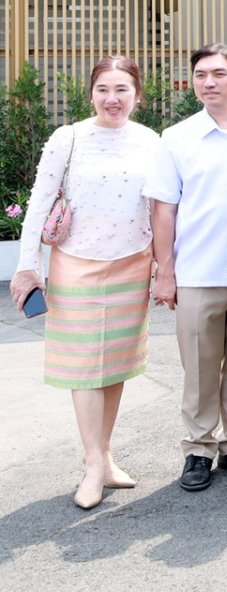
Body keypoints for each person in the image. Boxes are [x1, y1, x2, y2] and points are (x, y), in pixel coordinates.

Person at [10, 56, 161, 509]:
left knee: (113, 364)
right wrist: (26, 264)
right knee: (82, 366)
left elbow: (159, 206)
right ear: (90, 93)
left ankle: (105, 455)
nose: (112, 99)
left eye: (122, 90)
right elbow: (38, 203)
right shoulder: (69, 137)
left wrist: (160, 263)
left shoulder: (151, 141)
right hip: (75, 262)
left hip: (134, 261)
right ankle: (94, 463)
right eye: (103, 89)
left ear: (138, 94)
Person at [145, 43, 227, 491]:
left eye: (219, 74)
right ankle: (198, 449)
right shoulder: (177, 137)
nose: (208, 82)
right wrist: (166, 271)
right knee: (199, 367)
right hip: (197, 272)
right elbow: (163, 210)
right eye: (201, 75)